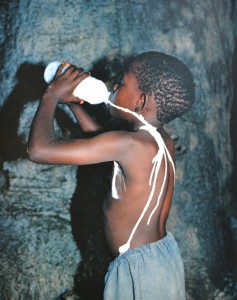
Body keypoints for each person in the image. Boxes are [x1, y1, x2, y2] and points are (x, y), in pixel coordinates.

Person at [27, 51, 195, 299]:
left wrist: (51, 95)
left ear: (141, 101)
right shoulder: (159, 140)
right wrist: (73, 103)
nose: (115, 86)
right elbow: (102, 141)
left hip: (138, 269)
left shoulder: (129, 144)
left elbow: (38, 150)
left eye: (123, 82)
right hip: (162, 256)